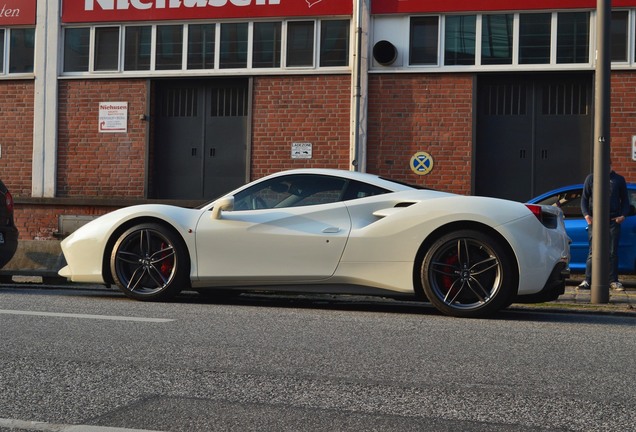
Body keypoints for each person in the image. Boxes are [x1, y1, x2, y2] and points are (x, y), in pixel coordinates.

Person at [578, 163, 630, 291]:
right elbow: (584, 199)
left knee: (612, 252)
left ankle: (613, 281)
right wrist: (587, 216)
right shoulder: (591, 179)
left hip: (613, 221)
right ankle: (588, 280)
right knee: (592, 251)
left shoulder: (619, 180)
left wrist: (622, 215)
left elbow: (625, 200)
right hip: (595, 221)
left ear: (610, 165)